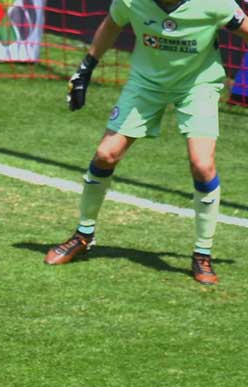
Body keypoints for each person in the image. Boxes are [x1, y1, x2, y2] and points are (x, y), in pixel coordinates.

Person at [48, 0, 248, 284]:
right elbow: (112, 24)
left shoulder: (213, 3)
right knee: (106, 154)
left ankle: (202, 254)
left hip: (198, 85)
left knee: (202, 165)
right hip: (146, 84)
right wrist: (85, 69)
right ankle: (83, 235)